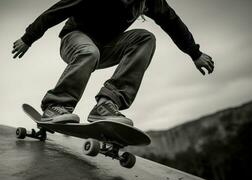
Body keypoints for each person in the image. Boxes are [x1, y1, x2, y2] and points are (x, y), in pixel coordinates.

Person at [12, 0, 214, 126]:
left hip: (108, 47)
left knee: (145, 38)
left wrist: (194, 54)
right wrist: (28, 38)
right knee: (89, 52)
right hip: (74, 39)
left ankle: (107, 104)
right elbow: (58, 10)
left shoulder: (151, 1)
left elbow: (172, 22)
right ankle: (56, 106)